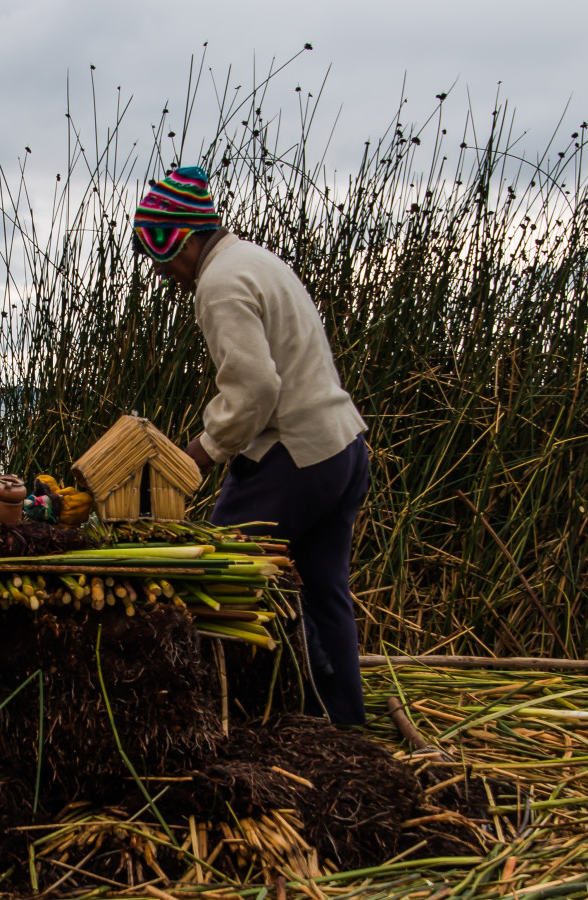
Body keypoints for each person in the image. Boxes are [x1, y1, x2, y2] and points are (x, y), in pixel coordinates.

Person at [133, 166, 371, 724]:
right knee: (323, 591)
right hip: (342, 446)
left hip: (294, 457)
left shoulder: (219, 285)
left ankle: (224, 715)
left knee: (215, 573)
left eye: (161, 256)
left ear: (182, 238)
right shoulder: (257, 260)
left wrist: (200, 451)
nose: (163, 272)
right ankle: (341, 723)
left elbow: (257, 387)